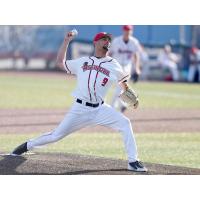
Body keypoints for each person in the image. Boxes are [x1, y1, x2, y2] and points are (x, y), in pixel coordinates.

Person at [11, 30, 147, 172]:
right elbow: (59, 62)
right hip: (80, 109)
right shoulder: (83, 62)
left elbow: (124, 84)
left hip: (100, 109)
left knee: (125, 123)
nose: (107, 41)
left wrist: (132, 98)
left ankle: (133, 161)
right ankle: (26, 146)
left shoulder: (114, 64)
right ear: (95, 42)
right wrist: (66, 41)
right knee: (55, 135)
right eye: (103, 39)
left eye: (108, 40)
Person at [109, 25, 142, 113]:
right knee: (120, 87)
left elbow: (136, 55)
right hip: (116, 66)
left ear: (132, 31)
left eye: (129, 30)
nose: (128, 32)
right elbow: (110, 53)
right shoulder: (116, 41)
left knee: (121, 87)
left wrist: (137, 69)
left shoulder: (134, 42)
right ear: (123, 31)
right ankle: (120, 105)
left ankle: (114, 106)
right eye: (126, 30)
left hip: (127, 66)